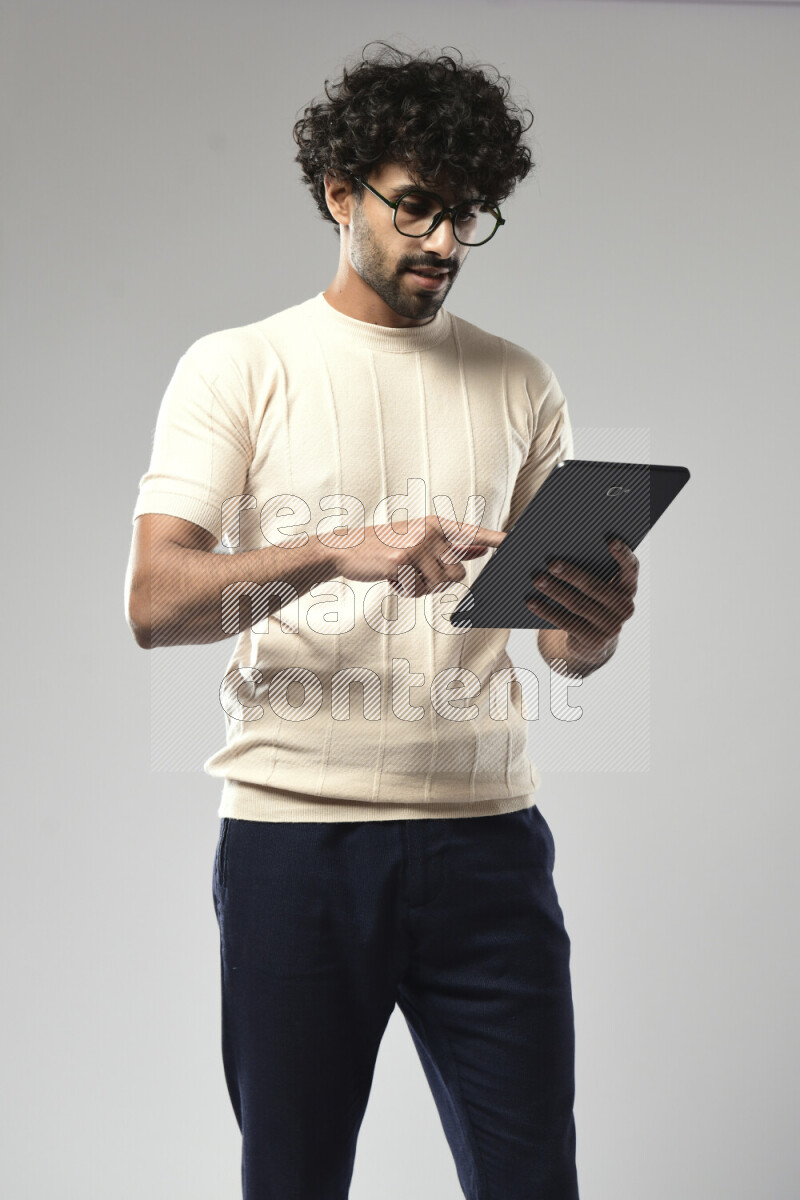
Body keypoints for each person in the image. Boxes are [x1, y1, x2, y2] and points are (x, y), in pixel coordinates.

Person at [125, 41, 638, 1200]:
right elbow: (155, 602)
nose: (444, 243)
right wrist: (330, 552)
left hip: (488, 844)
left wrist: (594, 624)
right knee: (294, 1180)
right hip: (296, 848)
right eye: (415, 209)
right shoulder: (238, 368)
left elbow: (562, 646)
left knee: (531, 1181)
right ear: (339, 194)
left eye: (466, 215)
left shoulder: (521, 381)